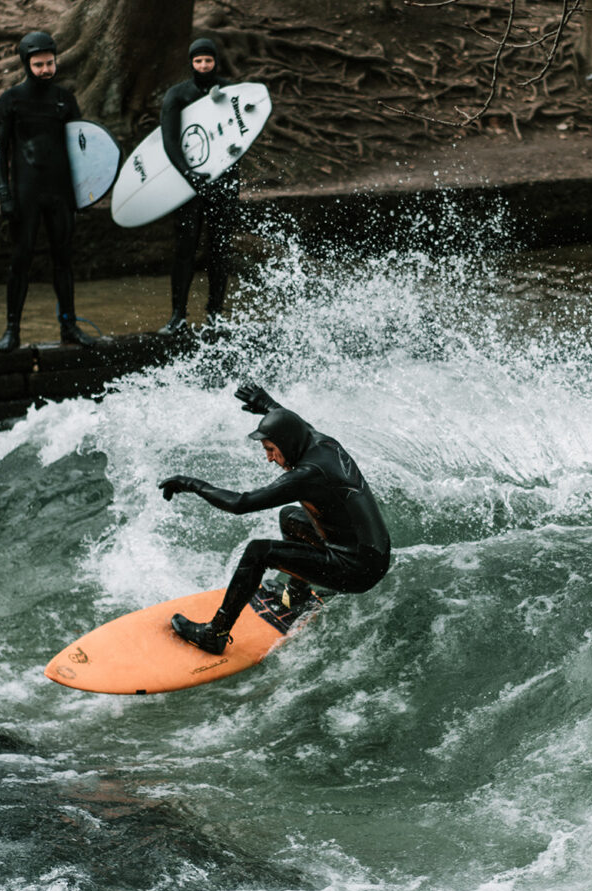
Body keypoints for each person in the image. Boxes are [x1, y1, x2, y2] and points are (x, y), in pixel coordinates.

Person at [157, 384, 392, 654]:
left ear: (287, 443)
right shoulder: (319, 441)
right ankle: (297, 595)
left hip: (357, 569)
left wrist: (191, 484)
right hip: (372, 552)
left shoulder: (308, 474)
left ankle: (215, 633)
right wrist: (267, 405)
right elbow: (296, 424)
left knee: (259, 552)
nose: (269, 458)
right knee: (290, 517)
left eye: (271, 449)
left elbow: (240, 504)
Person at [0, 31, 95, 353]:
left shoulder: (65, 99)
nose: (45, 70)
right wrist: (4, 193)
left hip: (60, 192)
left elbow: (81, 147)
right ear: (27, 64)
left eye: (50, 63)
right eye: (38, 65)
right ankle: (12, 329)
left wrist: (85, 192)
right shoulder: (11, 100)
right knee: (20, 260)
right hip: (26, 193)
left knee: (63, 260)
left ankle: (69, 326)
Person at [157, 37, 241, 338]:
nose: (204, 66)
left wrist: (235, 151)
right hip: (188, 185)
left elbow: (243, 131)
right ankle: (177, 316)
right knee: (185, 249)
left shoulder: (230, 91)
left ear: (215, 62)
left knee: (220, 249)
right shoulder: (178, 95)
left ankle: (215, 315)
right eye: (198, 61)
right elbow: (170, 141)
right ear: (191, 63)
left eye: (208, 60)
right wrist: (188, 175)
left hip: (224, 181)